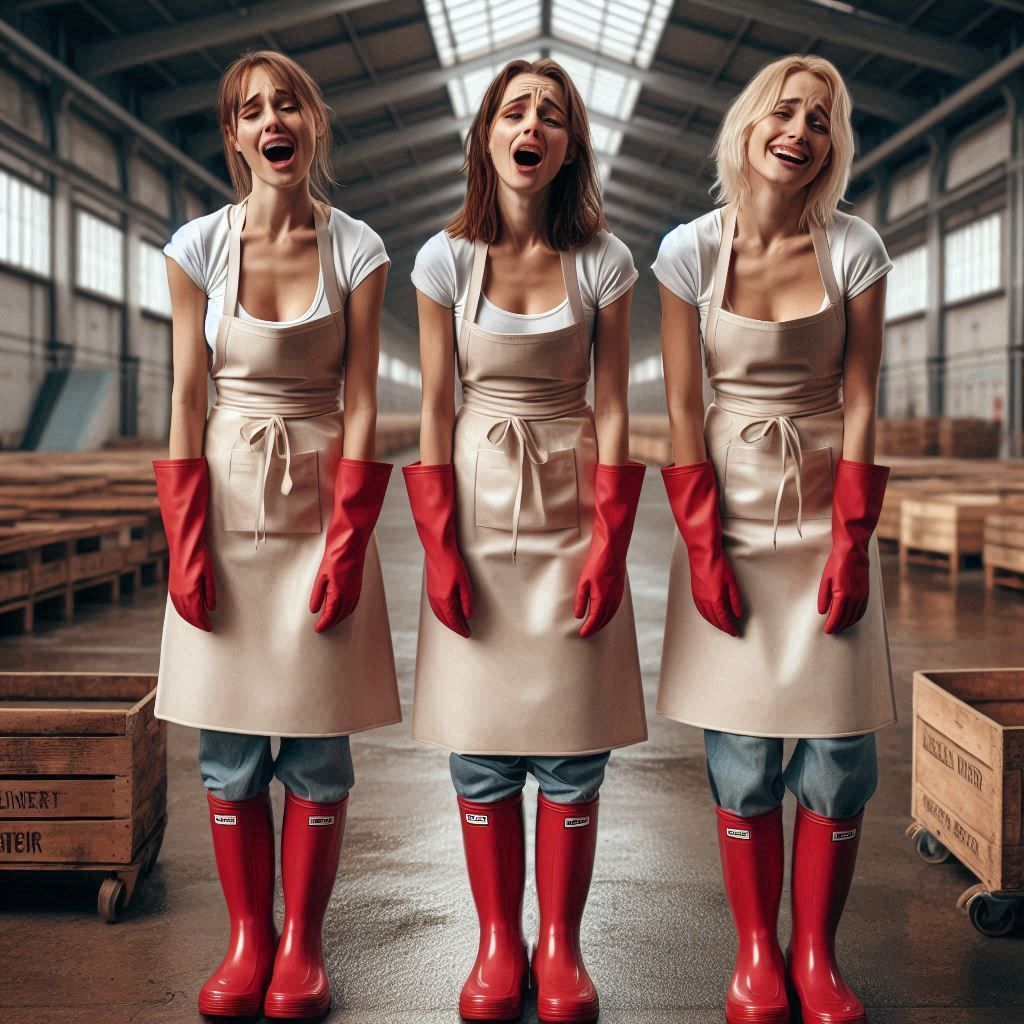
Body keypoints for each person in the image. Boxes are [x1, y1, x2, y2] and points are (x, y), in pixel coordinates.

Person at [153, 50, 400, 1021]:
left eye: (286, 104)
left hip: (319, 503)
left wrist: (349, 539)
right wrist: (185, 538)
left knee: (316, 747)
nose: (271, 121)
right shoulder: (198, 249)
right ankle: (248, 938)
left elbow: (364, 402)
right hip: (225, 502)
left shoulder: (358, 249)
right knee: (228, 747)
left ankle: (302, 947)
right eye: (251, 110)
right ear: (235, 136)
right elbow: (187, 397)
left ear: (313, 122)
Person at [404, 58, 647, 1024]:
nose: (531, 125)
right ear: (488, 135)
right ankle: (499, 945)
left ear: (569, 145)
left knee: (573, 748)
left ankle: (564, 949)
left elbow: (615, 410)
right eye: (514, 110)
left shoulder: (604, 262)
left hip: (572, 503)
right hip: (474, 501)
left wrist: (611, 544)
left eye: (550, 114)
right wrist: (438, 546)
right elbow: (434, 407)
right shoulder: (444, 261)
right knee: (481, 749)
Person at [653, 54, 895, 1024]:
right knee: (744, 749)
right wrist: (702, 546)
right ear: (748, 126)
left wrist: (852, 539)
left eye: (820, 120)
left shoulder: (855, 248)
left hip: (827, 506)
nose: (800, 131)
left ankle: (817, 956)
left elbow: (863, 400)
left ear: (834, 146)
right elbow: (681, 409)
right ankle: (756, 953)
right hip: (732, 508)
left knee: (839, 751)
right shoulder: (689, 252)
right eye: (784, 112)